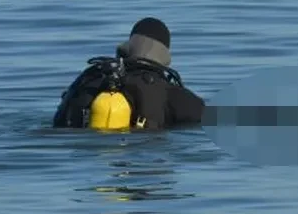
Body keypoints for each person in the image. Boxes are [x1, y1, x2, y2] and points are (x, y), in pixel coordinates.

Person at [52, 17, 205, 130]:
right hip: (141, 152)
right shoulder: (171, 93)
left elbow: (58, 120)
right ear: (164, 55)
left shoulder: (89, 78)